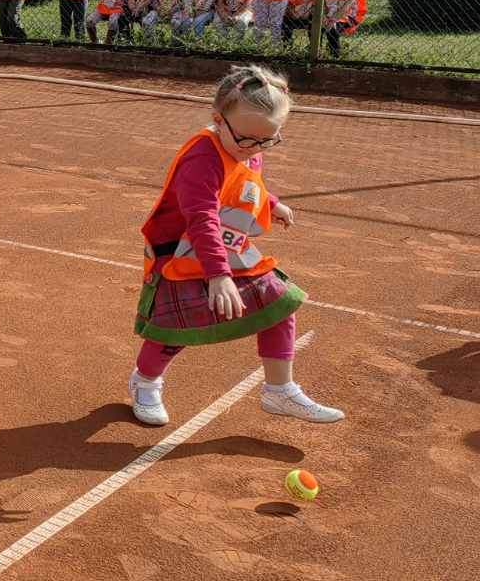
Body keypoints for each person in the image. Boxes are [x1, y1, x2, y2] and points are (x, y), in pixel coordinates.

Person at [131, 64, 343, 427]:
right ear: (218, 119)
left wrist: (270, 203)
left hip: (226, 244)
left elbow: (243, 181)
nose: (256, 149)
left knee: (280, 303)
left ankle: (279, 390)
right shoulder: (201, 159)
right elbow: (201, 218)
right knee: (175, 329)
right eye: (249, 140)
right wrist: (219, 275)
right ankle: (146, 382)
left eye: (268, 140)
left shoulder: (246, 143)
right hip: (181, 252)